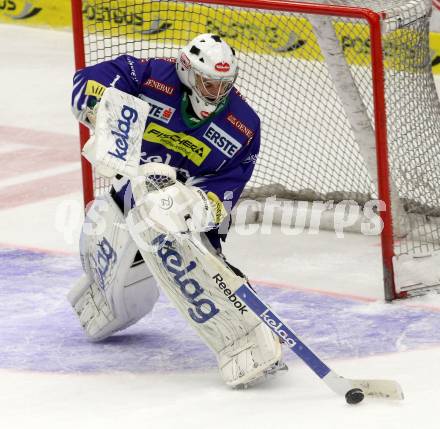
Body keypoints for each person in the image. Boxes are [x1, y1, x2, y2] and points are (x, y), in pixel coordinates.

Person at [68, 33, 286, 387]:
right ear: (186, 71)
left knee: (192, 257)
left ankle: (247, 333)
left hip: (184, 207)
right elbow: (86, 81)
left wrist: (197, 206)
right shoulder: (147, 76)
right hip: (132, 188)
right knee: (107, 293)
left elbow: (228, 186)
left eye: (223, 84)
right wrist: (99, 109)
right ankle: (106, 291)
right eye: (207, 82)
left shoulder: (243, 125)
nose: (216, 93)